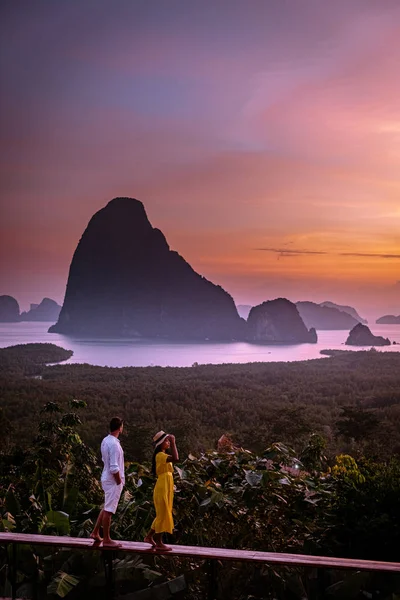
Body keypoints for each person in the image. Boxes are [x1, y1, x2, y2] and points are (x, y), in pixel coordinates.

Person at [90, 417, 125, 547]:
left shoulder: (106, 440)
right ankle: (107, 539)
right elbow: (114, 467)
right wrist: (119, 481)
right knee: (109, 510)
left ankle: (95, 532)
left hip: (106, 477)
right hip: (112, 480)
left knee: (106, 507)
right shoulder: (115, 444)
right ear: (120, 428)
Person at [144, 430, 179, 551]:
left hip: (167, 485)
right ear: (160, 444)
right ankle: (158, 541)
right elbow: (176, 458)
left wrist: (171, 441)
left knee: (164, 512)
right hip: (162, 486)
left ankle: (149, 537)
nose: (168, 442)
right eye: (166, 441)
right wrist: (174, 443)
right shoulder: (160, 456)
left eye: (169, 441)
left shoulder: (163, 455)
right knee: (163, 514)